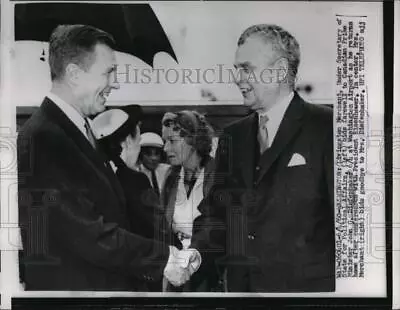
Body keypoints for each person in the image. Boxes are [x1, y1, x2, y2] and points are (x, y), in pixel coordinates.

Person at [17, 24, 199, 291]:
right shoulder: (44, 136)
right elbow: (86, 233)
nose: (115, 82)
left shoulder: (74, 129)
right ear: (74, 74)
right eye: (108, 72)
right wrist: (165, 258)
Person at [190, 24, 335, 292]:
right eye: (237, 69)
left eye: (246, 68)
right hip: (242, 295)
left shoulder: (328, 128)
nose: (237, 78)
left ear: (279, 70)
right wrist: (196, 254)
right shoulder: (233, 136)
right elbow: (217, 213)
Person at [160, 110, 221, 292]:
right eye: (165, 141)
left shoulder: (217, 174)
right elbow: (164, 227)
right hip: (177, 273)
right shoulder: (171, 177)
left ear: (193, 140)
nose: (165, 149)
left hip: (210, 274)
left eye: (172, 141)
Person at [137, 132, 170, 198]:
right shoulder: (136, 174)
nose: (154, 158)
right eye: (148, 154)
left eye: (157, 153)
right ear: (140, 155)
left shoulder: (168, 171)